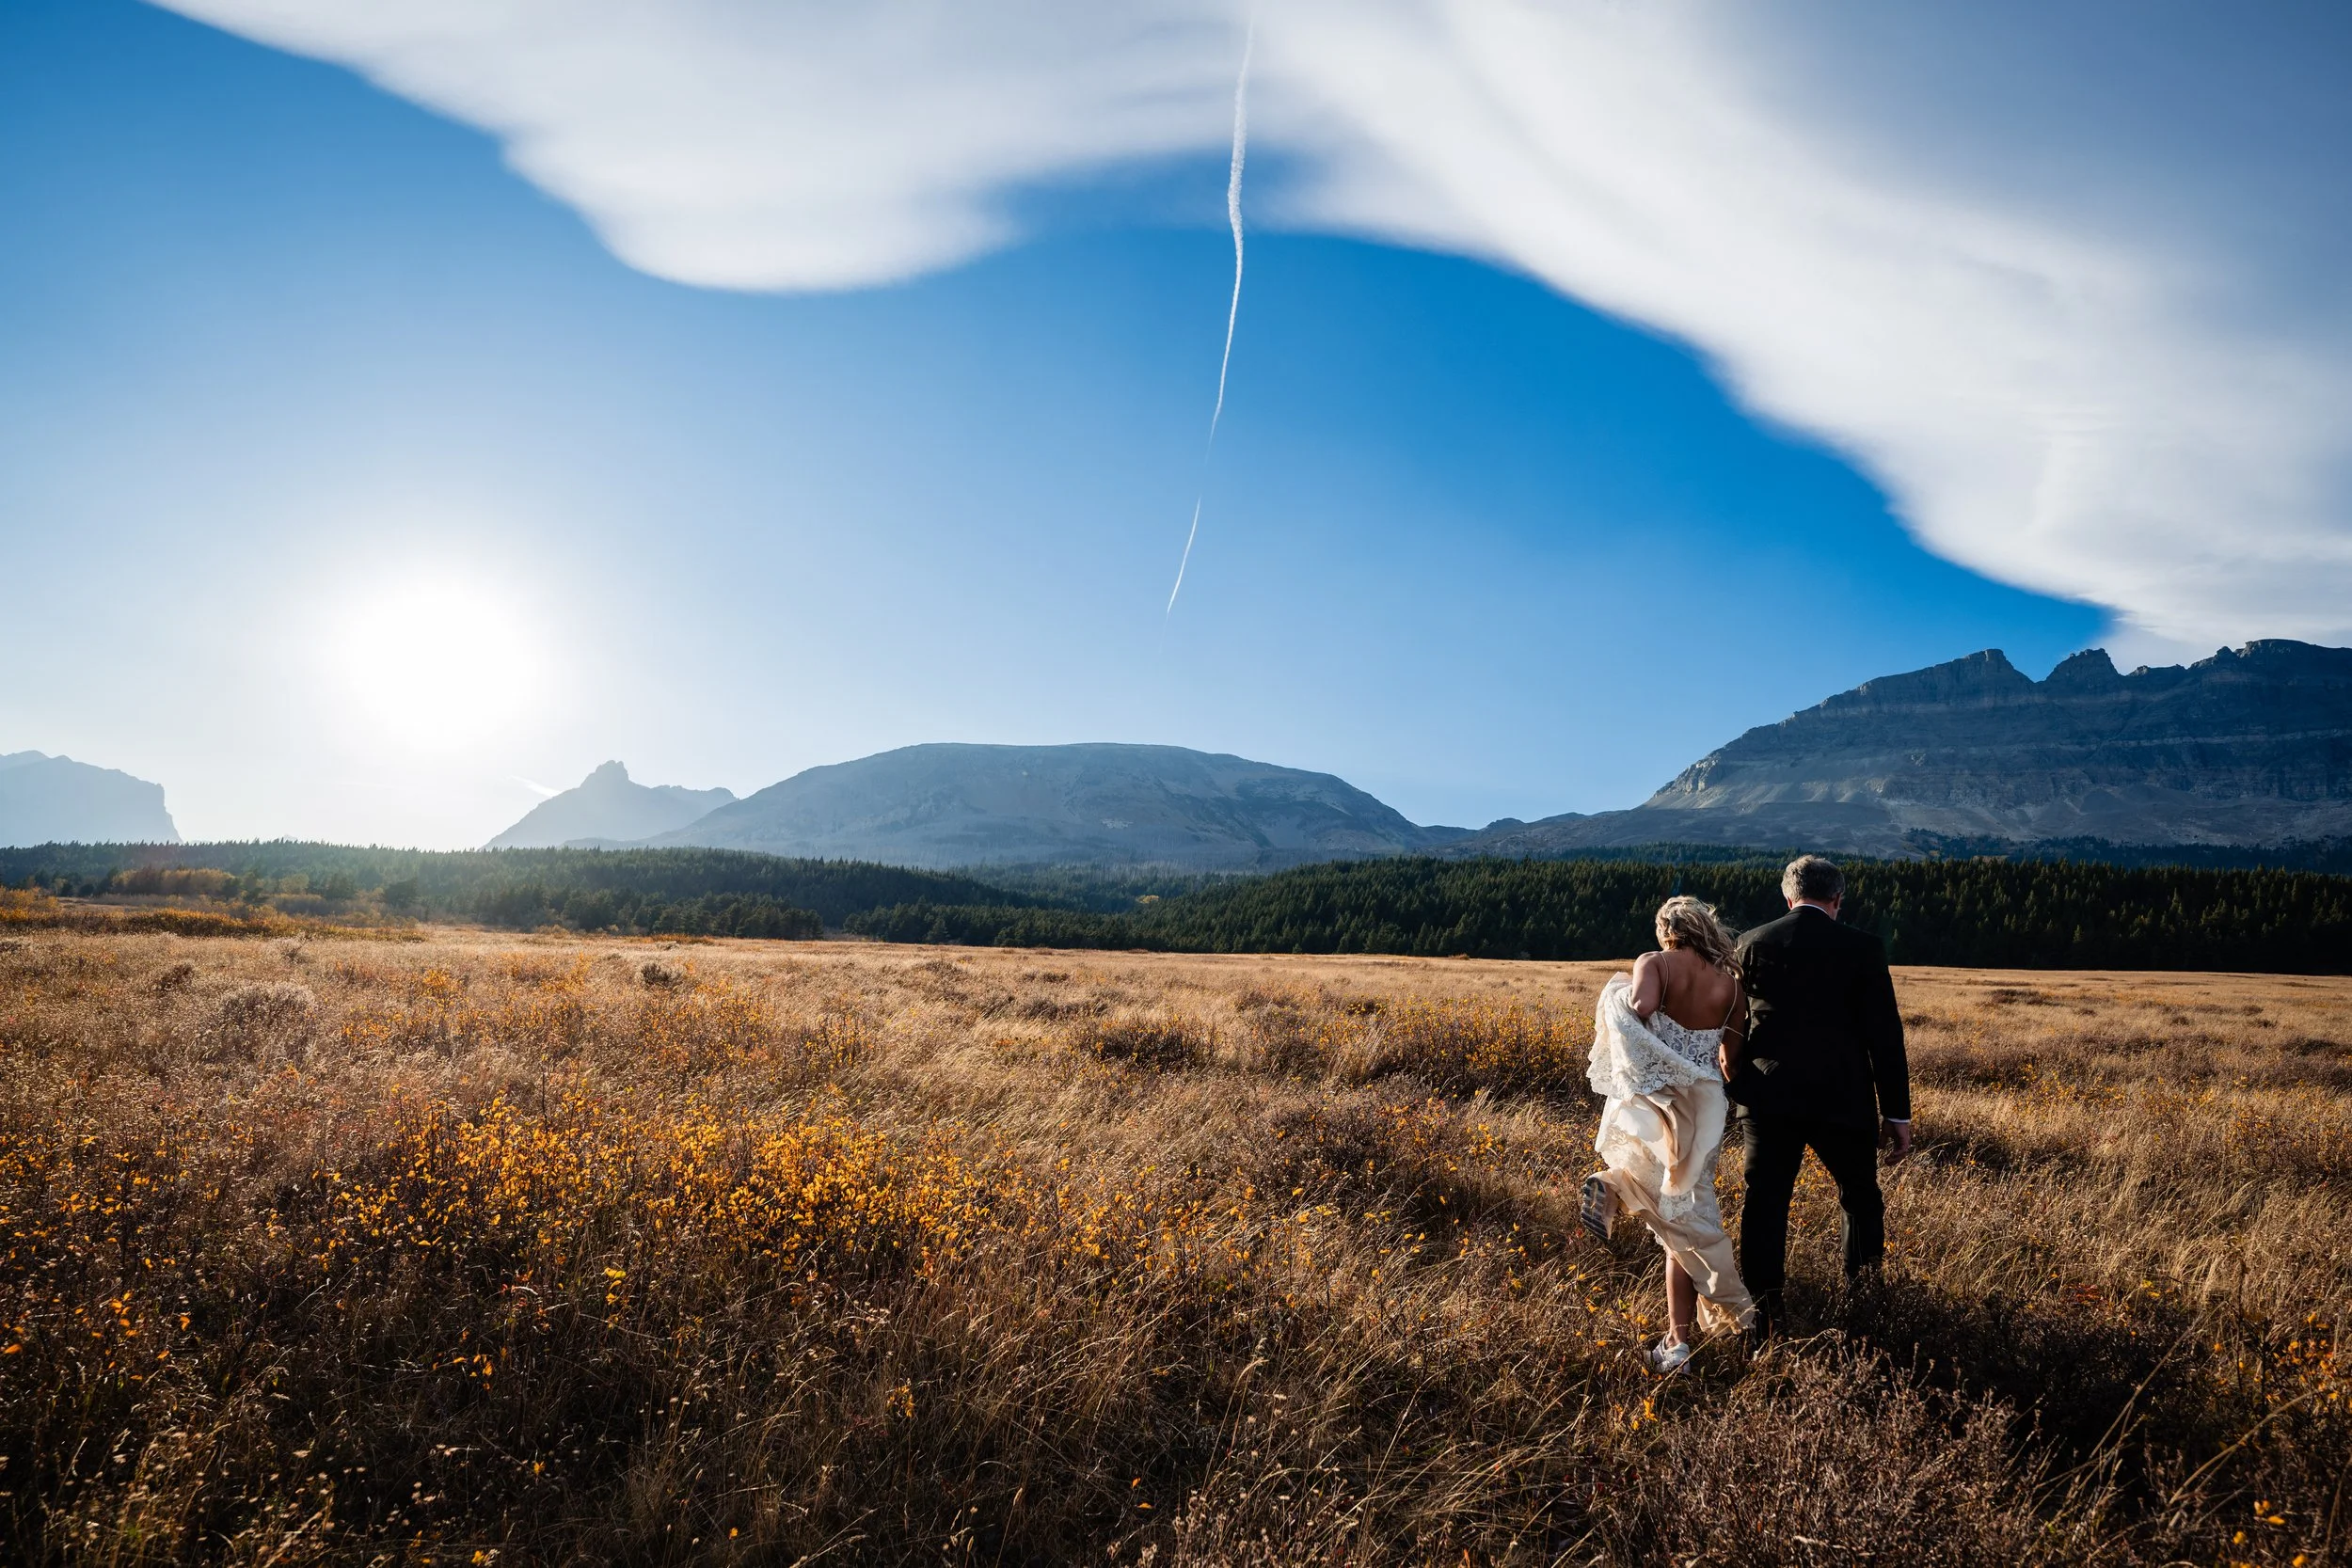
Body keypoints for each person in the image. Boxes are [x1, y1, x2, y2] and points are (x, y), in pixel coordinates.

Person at [1728, 855, 1912, 1338]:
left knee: (1765, 1203)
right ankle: (1863, 1305)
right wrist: (1897, 1113)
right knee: (1860, 1198)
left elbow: (1734, 1027)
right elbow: (1885, 1036)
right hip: (1843, 1096)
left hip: (1768, 1096)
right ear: (1837, 899)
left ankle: (1765, 1316)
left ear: (1787, 896)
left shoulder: (1751, 942)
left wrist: (1736, 1087)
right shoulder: (1864, 947)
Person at [1580, 895, 1758, 1374]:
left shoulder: (1654, 962)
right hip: (1704, 1109)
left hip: (1658, 1104)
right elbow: (1731, 1059)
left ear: (1667, 931)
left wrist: (1616, 994)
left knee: (1675, 1219)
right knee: (1684, 1215)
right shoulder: (1732, 986)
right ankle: (1679, 1341)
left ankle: (1615, 1186)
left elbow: (1641, 1006)